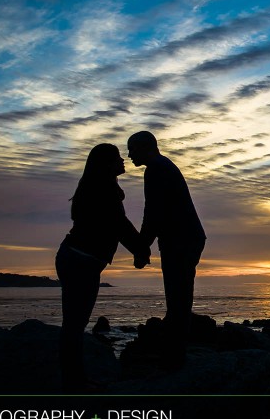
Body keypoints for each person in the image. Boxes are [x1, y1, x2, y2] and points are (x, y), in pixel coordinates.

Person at [55, 143, 144, 392]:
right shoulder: (103, 190)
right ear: (107, 164)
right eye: (117, 157)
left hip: (79, 260)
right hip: (80, 261)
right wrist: (141, 249)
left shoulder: (100, 188)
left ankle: (74, 380)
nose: (123, 160)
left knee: (74, 324)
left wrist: (139, 248)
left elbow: (117, 225)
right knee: (74, 325)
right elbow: (119, 224)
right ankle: (73, 383)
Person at [128, 130, 206, 369]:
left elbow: (153, 212)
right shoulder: (162, 167)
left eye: (132, 149)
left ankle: (174, 357)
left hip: (181, 241)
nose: (129, 155)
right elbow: (155, 213)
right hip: (183, 240)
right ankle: (174, 353)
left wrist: (141, 248)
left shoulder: (156, 169)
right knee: (179, 299)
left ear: (145, 147)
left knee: (178, 299)